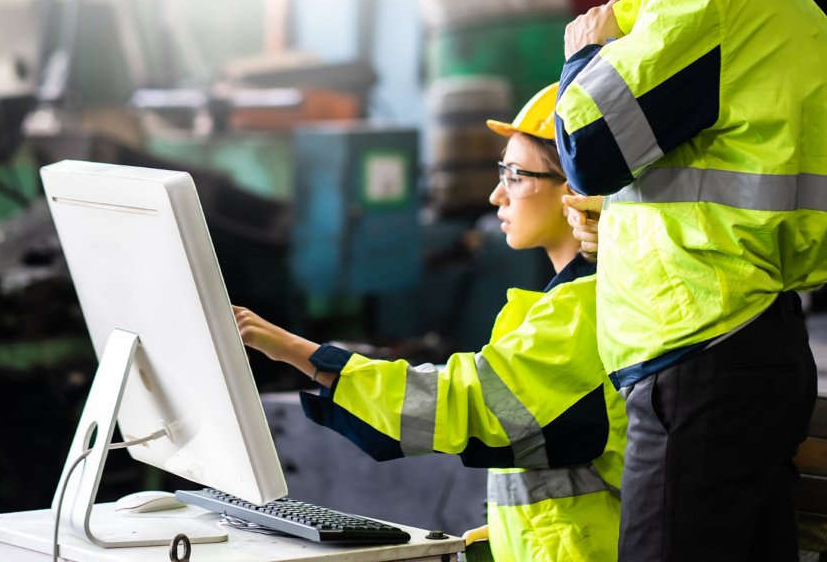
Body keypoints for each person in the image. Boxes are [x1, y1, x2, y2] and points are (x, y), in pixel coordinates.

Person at [553, 0, 827, 560]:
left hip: (700, 360)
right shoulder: (788, 1)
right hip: (760, 341)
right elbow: (721, 169)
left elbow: (590, 150)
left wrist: (584, 54)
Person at [235, 83, 626, 562]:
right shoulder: (559, 304)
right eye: (501, 172)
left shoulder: (583, 309)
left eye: (517, 177)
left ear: (574, 191)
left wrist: (302, 353)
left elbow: (460, 405)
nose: (496, 194)